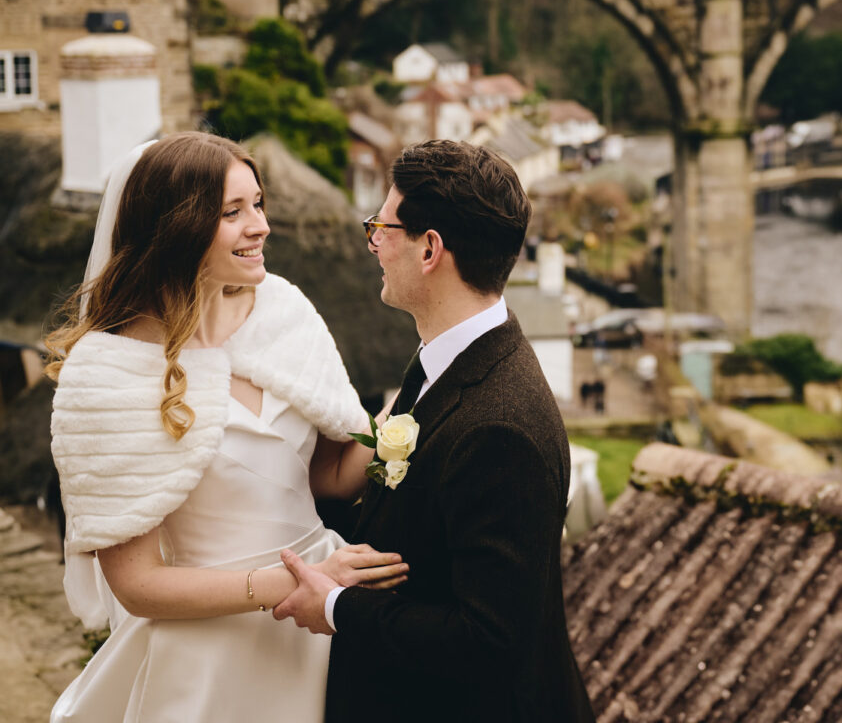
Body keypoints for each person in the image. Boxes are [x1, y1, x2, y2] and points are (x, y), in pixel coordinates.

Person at [47, 133, 407, 723]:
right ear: (175, 228)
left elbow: (331, 477)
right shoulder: (110, 373)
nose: (260, 226)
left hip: (325, 622)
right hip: (210, 657)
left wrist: (406, 416)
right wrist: (293, 582)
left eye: (258, 204)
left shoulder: (284, 311)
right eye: (231, 212)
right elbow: (137, 585)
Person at [274, 139, 595, 723]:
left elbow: (489, 641)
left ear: (429, 249)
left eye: (382, 227)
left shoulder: (500, 428)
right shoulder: (446, 362)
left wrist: (338, 607)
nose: (372, 242)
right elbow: (421, 531)